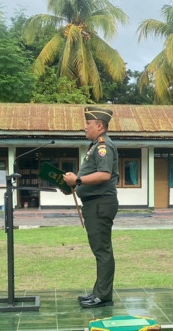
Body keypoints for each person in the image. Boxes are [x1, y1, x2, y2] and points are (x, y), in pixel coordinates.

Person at [63, 106, 119, 308]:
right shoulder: (95, 146)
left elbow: (104, 175)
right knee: (99, 249)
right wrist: (72, 183)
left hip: (100, 203)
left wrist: (77, 180)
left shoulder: (104, 146)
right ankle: (99, 292)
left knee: (102, 250)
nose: (84, 127)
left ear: (100, 126)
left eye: (88, 124)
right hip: (95, 203)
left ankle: (103, 296)